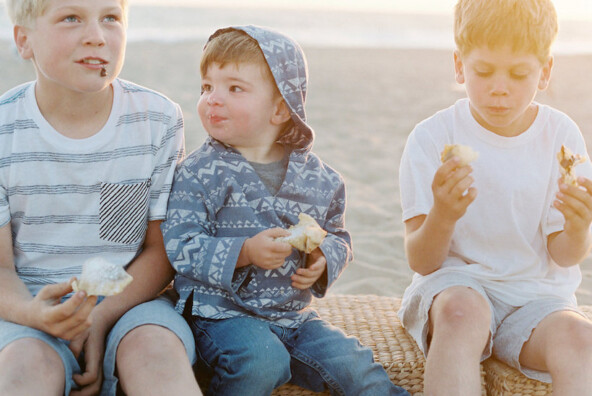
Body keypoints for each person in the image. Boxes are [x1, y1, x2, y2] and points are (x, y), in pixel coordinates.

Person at [161, 25, 409, 396]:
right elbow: (180, 245)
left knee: (355, 365)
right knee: (262, 361)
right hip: (220, 315)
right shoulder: (199, 172)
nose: (212, 98)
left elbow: (339, 236)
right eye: (207, 87)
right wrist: (243, 252)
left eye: (234, 88)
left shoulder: (320, 180)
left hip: (293, 317)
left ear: (280, 108)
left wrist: (324, 257)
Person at [0, 0, 202, 395]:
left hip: (131, 306)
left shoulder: (157, 120)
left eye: (111, 17)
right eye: (71, 18)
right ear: (24, 41)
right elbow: (0, 269)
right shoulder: (4, 130)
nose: (96, 35)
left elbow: (159, 251)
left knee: (156, 351)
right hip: (27, 306)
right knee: (25, 366)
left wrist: (102, 316)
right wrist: (34, 313)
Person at [398, 0, 592, 394]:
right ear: (459, 66)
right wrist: (444, 215)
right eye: (483, 71)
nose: (499, 88)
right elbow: (422, 259)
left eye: (519, 74)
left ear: (545, 72)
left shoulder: (561, 136)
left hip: (537, 298)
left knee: (581, 341)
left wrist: (578, 226)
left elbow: (565, 255)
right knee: (461, 314)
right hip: (457, 286)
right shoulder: (433, 137)